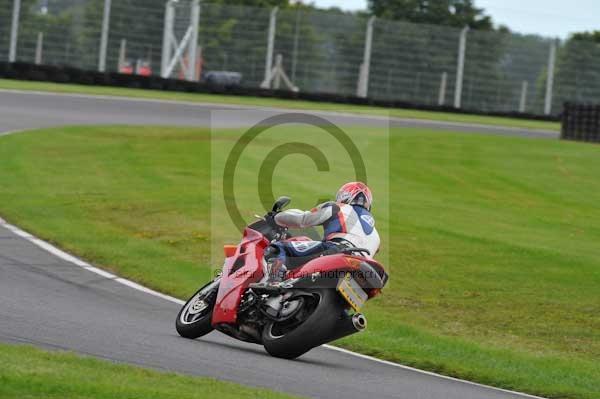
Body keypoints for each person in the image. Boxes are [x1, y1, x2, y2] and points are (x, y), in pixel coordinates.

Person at [264, 182, 380, 282]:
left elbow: (303, 220)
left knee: (278, 248)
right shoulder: (376, 235)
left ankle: (272, 282)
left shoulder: (337, 207)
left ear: (344, 196)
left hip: (338, 250)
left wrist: (276, 218)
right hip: (363, 267)